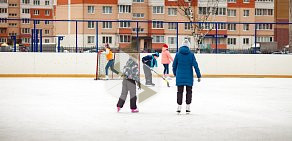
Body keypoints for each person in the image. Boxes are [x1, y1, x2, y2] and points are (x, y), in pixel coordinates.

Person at [172, 39, 201, 114]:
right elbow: (195, 65)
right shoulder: (191, 55)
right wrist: (198, 75)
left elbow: (174, 65)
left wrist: (175, 74)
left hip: (179, 76)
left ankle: (179, 107)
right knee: (189, 91)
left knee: (179, 91)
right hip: (189, 77)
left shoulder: (178, 54)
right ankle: (188, 107)